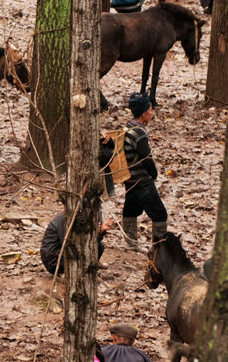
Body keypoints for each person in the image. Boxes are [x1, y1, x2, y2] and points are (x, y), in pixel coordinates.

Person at [122, 92, 167, 249]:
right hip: (142, 181)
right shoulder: (139, 133)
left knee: (131, 211)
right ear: (142, 114)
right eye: (149, 110)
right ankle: (159, 249)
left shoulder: (128, 127)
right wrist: (153, 174)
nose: (151, 113)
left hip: (130, 180)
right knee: (159, 214)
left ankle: (131, 244)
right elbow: (146, 158)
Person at [40, 211, 117, 276]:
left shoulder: (83, 218)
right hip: (53, 260)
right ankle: (71, 274)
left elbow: (86, 241)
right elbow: (70, 244)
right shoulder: (67, 219)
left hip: (65, 253)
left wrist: (100, 231)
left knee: (99, 246)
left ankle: (88, 269)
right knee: (78, 251)